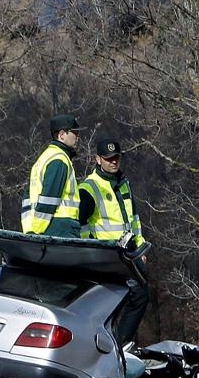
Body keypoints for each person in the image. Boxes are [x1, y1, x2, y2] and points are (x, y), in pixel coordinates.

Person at [78, 138, 150, 346]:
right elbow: (80, 226)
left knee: (137, 296)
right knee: (136, 295)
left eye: (116, 158)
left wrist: (140, 247)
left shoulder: (123, 183)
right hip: (106, 257)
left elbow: (133, 220)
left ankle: (117, 345)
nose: (113, 162)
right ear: (98, 159)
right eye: (108, 159)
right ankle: (115, 347)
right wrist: (92, 252)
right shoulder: (90, 188)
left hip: (128, 255)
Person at [21, 114, 82, 238]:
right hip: (59, 228)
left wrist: (29, 231)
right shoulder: (60, 159)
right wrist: (36, 232)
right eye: (74, 132)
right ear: (62, 135)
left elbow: (28, 199)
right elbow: (49, 199)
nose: (78, 137)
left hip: (44, 227)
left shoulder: (43, 158)